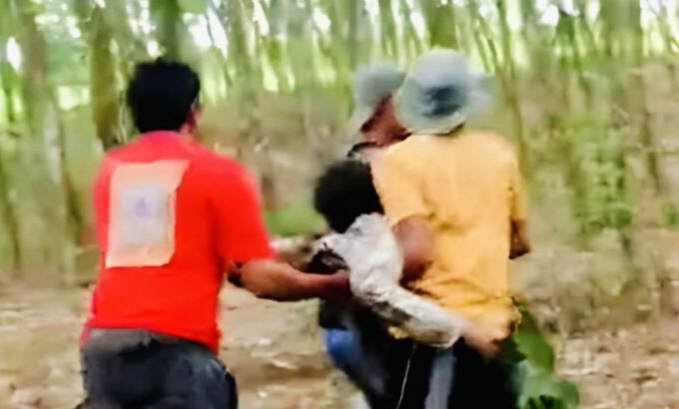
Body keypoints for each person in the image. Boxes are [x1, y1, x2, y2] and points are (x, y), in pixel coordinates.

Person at [79, 58, 350, 409]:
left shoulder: (111, 172)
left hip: (104, 348)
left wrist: (292, 251)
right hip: (175, 353)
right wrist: (333, 286)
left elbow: (170, 247)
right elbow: (257, 278)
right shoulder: (217, 173)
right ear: (194, 113)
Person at [372, 48, 577, 408]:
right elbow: (520, 242)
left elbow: (416, 254)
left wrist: (377, 282)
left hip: (438, 334)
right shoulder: (499, 152)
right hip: (496, 329)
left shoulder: (400, 161)